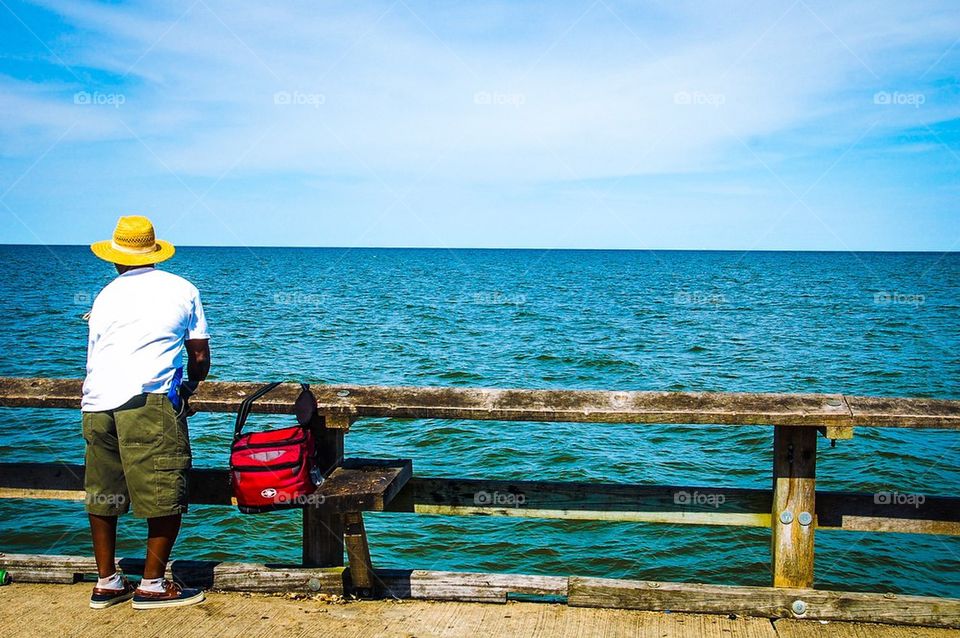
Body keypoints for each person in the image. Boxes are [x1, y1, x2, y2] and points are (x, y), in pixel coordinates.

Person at [81, 215, 210, 610]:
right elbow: (200, 355)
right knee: (165, 491)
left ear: (116, 256)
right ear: (154, 252)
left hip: (96, 402)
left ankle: (107, 582)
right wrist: (189, 386)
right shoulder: (181, 289)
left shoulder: (105, 295)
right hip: (149, 399)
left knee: (103, 493)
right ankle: (151, 585)